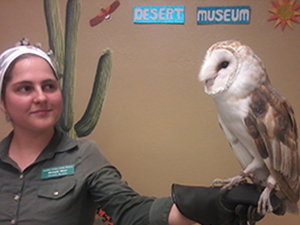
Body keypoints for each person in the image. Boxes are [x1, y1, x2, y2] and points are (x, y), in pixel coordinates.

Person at [0, 44, 284, 225]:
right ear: (3, 102)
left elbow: (131, 211)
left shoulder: (82, 156)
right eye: (25, 88)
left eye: (49, 86)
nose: (41, 97)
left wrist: (213, 204)